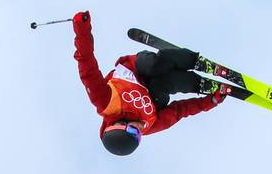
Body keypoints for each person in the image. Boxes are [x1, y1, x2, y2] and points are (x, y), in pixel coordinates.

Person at [72, 11, 228, 156]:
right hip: (155, 90)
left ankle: (194, 61)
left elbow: (87, 65)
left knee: (154, 65)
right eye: (139, 137)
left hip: (136, 69)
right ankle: (199, 84)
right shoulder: (148, 125)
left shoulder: (105, 102)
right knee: (165, 84)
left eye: (133, 131)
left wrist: (82, 29)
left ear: (118, 125)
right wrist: (211, 101)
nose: (139, 131)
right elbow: (179, 111)